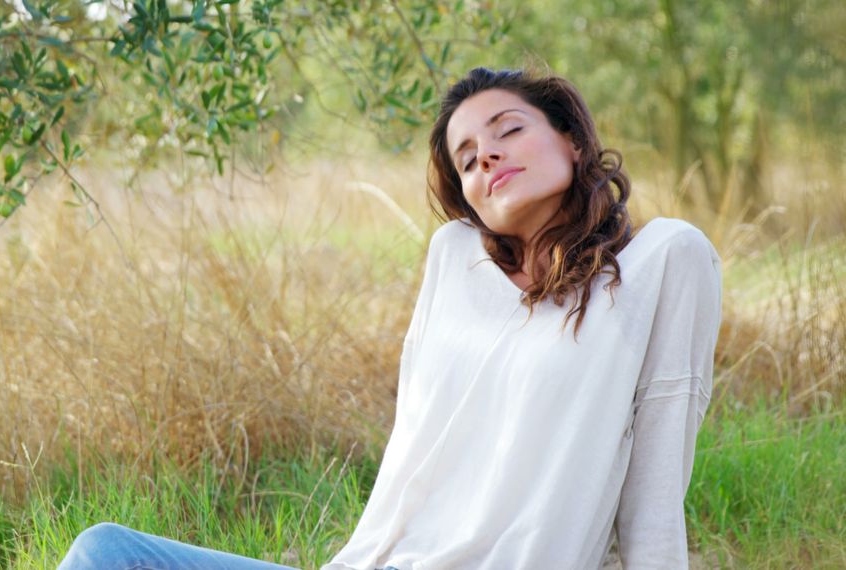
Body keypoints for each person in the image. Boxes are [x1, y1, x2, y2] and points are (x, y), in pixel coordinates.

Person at [58, 67, 722, 570]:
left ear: (573, 142)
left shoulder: (664, 262)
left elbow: (654, 497)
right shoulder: (454, 261)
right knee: (104, 552)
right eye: (466, 159)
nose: (485, 155)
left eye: (508, 130)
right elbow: (415, 463)